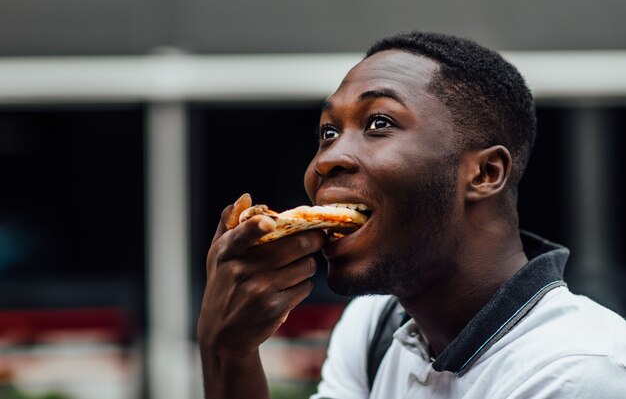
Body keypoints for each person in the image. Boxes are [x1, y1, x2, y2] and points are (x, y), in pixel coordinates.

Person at [197, 31, 626, 398]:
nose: (326, 161)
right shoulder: (375, 326)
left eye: (379, 122)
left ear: (484, 173)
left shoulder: (577, 373)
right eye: (328, 132)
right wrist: (228, 350)